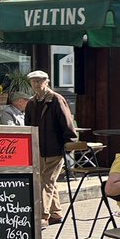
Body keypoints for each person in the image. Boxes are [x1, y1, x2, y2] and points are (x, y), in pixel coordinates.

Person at [24, 70, 76, 226]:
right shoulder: (31, 102)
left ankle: (42, 216)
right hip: (38, 149)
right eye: (33, 81)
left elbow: (67, 122)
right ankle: (56, 213)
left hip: (55, 148)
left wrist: (69, 144)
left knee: (45, 180)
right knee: (47, 180)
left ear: (47, 82)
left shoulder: (56, 99)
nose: (36, 84)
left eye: (39, 81)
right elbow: (28, 126)